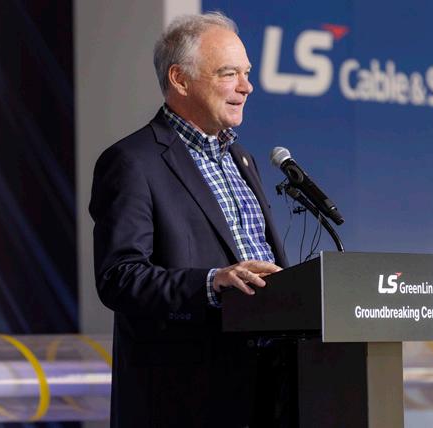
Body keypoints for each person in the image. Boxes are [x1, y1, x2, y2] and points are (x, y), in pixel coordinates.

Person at [89, 12, 289, 428]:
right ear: (180, 79)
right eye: (229, 73)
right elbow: (119, 277)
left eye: (247, 73)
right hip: (189, 398)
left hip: (268, 389)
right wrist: (211, 283)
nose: (247, 86)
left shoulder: (243, 160)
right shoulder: (132, 162)